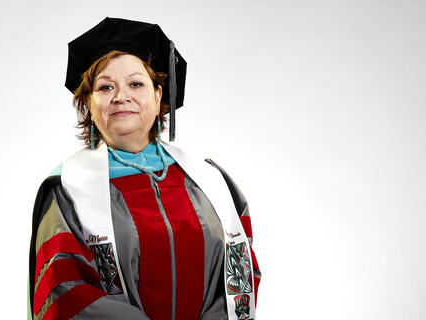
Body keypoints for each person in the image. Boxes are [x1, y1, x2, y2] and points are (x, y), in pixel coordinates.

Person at [28, 17, 261, 320]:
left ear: (158, 95)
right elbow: (66, 290)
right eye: (105, 86)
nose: (121, 96)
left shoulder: (209, 180)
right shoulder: (68, 189)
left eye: (136, 84)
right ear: (88, 102)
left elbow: (240, 268)